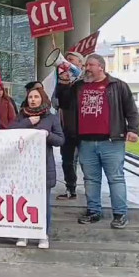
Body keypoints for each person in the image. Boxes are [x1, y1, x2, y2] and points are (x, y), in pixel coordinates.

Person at [56, 54, 139, 229]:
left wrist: (132, 129)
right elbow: (63, 103)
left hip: (112, 142)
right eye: (86, 65)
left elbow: (131, 110)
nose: (86, 68)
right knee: (91, 179)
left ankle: (119, 214)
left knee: (115, 178)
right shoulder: (78, 86)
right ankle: (93, 211)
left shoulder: (117, 86)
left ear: (101, 66)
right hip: (86, 142)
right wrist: (63, 84)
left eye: (90, 65)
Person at [9, 83, 64, 249]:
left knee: (43, 202)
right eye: (30, 97)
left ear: (42, 99)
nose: (33, 100)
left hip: (43, 167)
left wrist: (48, 135)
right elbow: (9, 131)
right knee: (23, 201)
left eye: (36, 97)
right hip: (22, 167)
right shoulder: (21, 117)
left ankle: (42, 234)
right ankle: (23, 234)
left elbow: (61, 140)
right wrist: (27, 122)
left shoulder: (51, 118)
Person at [56, 51, 85, 200]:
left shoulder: (86, 82)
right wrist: (64, 85)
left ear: (80, 64)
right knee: (67, 161)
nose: (67, 63)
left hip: (85, 130)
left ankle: (91, 190)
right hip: (67, 128)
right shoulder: (62, 82)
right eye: (66, 60)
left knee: (86, 162)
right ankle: (70, 189)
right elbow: (62, 103)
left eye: (71, 60)